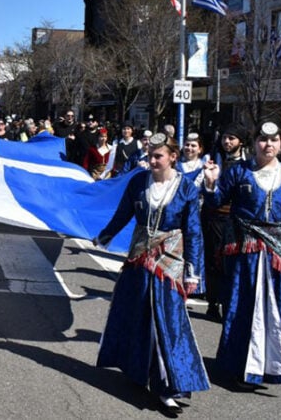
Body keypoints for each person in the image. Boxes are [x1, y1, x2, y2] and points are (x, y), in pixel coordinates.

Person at [94, 133, 208, 414]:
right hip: (139, 258)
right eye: (149, 155)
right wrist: (105, 235)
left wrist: (193, 273)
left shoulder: (186, 190)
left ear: (173, 157)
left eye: (158, 156)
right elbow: (123, 214)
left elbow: (193, 232)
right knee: (136, 315)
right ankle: (137, 371)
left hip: (170, 261)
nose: (152, 160)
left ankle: (168, 386)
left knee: (167, 321)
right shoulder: (137, 182)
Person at [203, 122, 281, 389]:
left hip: (278, 251)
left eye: (273, 140)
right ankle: (237, 367)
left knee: (280, 308)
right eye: (263, 140)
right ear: (254, 143)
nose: (268, 145)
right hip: (245, 251)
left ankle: (270, 366)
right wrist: (210, 184)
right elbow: (216, 201)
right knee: (242, 308)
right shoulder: (238, 172)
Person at [203, 122, 249, 322]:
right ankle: (213, 304)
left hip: (238, 220)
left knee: (233, 263)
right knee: (214, 260)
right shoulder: (215, 161)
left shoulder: (248, 164)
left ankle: (229, 302)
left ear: (241, 141)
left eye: (231, 138)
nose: (227, 142)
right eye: (224, 138)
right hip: (215, 217)